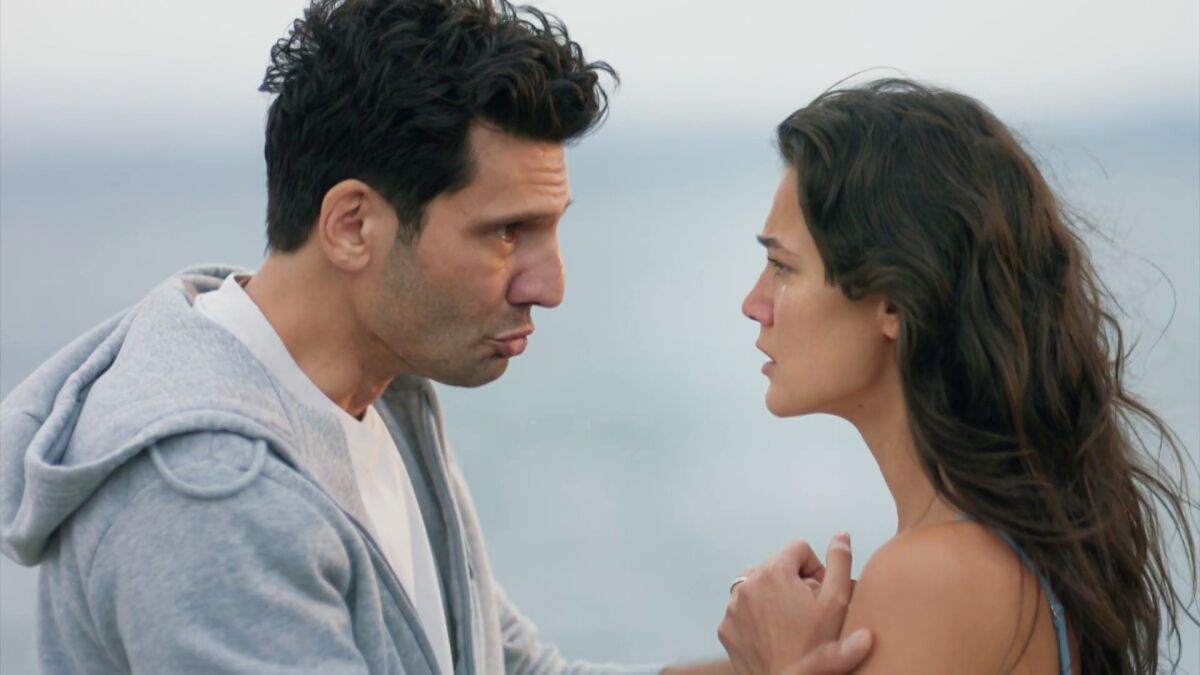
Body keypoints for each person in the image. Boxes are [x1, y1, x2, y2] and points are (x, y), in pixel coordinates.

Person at [0, 0, 872, 673]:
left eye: (550, 228)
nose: (551, 285)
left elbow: (513, 668)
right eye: (507, 232)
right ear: (352, 225)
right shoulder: (210, 500)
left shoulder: (384, 391)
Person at [719, 79, 1197, 674]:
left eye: (781, 266)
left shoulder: (933, 576)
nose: (753, 303)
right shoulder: (997, 555)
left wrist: (777, 660)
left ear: (896, 300)